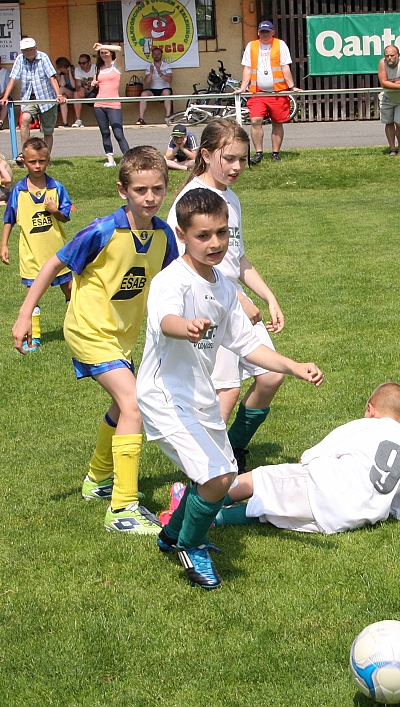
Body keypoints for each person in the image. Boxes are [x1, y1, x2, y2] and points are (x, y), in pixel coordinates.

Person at [140, 188, 324, 589]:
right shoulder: (172, 281)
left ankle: (171, 534)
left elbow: (247, 344)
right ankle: (191, 545)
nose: (215, 243)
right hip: (165, 395)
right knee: (217, 478)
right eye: (203, 235)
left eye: (222, 233)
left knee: (221, 474)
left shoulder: (224, 287)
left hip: (199, 395)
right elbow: (166, 320)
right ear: (181, 235)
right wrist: (186, 327)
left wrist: (293, 366)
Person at [11, 146, 177, 533]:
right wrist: (24, 314)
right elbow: (54, 263)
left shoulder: (164, 235)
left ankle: (97, 480)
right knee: (134, 403)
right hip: (88, 330)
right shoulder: (103, 230)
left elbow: (179, 278)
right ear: (123, 190)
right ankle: (123, 509)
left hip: (121, 338)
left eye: (157, 189)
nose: (149, 197)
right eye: (140, 190)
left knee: (122, 407)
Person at [166, 119, 286, 474]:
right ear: (205, 155)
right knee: (225, 393)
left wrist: (268, 297)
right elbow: (187, 264)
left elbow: (238, 259)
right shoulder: (190, 201)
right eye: (229, 158)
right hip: (207, 305)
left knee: (271, 376)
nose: (236, 167)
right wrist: (236, 298)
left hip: (233, 300)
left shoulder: (230, 198)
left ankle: (232, 449)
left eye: (242, 160)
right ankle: (203, 471)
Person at [203, 382, 400, 537]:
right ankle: (218, 519)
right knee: (270, 512)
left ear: (370, 410)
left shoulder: (363, 426)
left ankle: (200, 501)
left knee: (262, 478)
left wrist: (299, 468)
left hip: (323, 491)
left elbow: (311, 457)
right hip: (343, 521)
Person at [0, 137, 73, 348]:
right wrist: (4, 245)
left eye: (41, 161)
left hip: (57, 253)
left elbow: (65, 217)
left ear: (48, 160)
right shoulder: (19, 191)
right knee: (32, 296)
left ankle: (74, 329)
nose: (38, 166)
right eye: (33, 162)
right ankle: (33, 337)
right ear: (24, 162)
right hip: (31, 254)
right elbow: (9, 218)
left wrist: (55, 211)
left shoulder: (56, 188)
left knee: (70, 290)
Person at [238, 21, 299, 164]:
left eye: (267, 31)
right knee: (255, 120)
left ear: (273, 32)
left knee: (277, 122)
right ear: (258, 32)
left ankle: (275, 153)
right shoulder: (251, 46)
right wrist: (242, 88)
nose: (264, 34)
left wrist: (292, 87)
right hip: (257, 92)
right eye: (262, 32)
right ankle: (259, 153)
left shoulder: (280, 44)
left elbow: (285, 67)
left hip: (277, 92)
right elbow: (247, 68)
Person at [1, 38, 67, 160]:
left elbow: (52, 77)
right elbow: (13, 79)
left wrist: (58, 95)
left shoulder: (43, 57)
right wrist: (5, 97)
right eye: (26, 50)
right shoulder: (20, 59)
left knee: (47, 131)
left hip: (46, 98)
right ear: (22, 51)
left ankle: (45, 158)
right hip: (29, 98)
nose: (29, 52)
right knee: (25, 119)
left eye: (31, 49)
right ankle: (25, 154)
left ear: (36, 49)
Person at [91, 43, 130, 167]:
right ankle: (110, 160)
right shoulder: (99, 68)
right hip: (99, 104)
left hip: (113, 104)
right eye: (101, 53)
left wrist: (102, 46)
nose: (103, 55)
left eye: (106, 52)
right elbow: (95, 82)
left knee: (118, 133)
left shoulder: (116, 65)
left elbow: (119, 49)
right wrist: (94, 83)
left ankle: (130, 159)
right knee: (105, 133)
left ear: (111, 53)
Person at [378, 45, 400, 156]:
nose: (389, 58)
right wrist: (399, 85)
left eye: (392, 55)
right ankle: (392, 149)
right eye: (387, 56)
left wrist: (390, 84)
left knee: (399, 123)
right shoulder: (382, 63)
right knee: (389, 123)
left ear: (398, 55)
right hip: (386, 97)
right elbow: (383, 83)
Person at [137, 46, 172, 125]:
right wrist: (151, 73)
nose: (156, 55)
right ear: (152, 55)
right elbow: (146, 82)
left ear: (161, 55)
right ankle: (141, 119)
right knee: (143, 94)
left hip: (164, 88)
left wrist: (160, 73)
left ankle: (168, 117)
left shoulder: (166, 66)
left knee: (166, 92)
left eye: (158, 54)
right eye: (154, 54)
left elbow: (170, 80)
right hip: (153, 89)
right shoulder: (149, 67)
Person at [71, 53, 96, 127]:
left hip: (96, 92)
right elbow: (77, 85)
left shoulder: (95, 68)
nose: (81, 65)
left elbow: (97, 84)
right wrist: (80, 89)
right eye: (80, 63)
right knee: (76, 93)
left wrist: (86, 89)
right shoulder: (77, 69)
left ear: (89, 62)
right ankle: (78, 120)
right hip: (85, 93)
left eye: (84, 63)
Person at [54, 57, 75, 128]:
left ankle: (54, 105)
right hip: (64, 95)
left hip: (74, 94)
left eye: (62, 68)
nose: (61, 69)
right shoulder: (59, 74)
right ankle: (65, 122)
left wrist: (69, 74)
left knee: (62, 89)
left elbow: (73, 85)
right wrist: (61, 75)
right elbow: (62, 84)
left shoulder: (73, 71)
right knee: (63, 98)